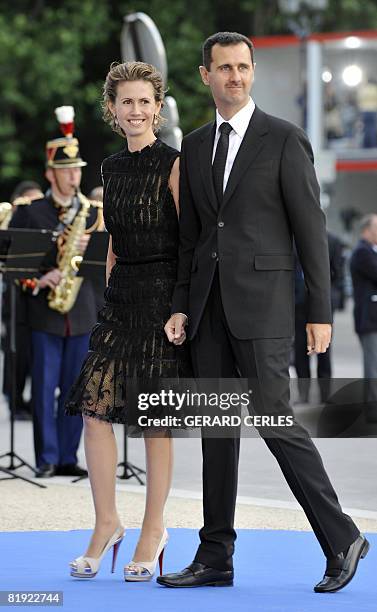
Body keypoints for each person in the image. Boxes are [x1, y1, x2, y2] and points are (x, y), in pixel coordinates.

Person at [160, 32, 369, 593]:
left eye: (243, 67)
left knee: (277, 424)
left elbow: (312, 232)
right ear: (205, 75)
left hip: (267, 309)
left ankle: (341, 535)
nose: (235, 77)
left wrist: (320, 312)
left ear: (251, 73)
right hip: (208, 311)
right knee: (218, 435)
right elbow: (192, 239)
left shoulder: (284, 138)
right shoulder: (197, 146)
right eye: (224, 68)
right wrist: (181, 306)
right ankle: (215, 557)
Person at [65, 61, 191, 581]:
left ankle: (153, 528)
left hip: (163, 302)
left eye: (144, 101)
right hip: (120, 301)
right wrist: (109, 289)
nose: (135, 110)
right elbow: (115, 239)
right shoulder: (109, 169)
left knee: (152, 423)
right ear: (112, 110)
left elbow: (190, 240)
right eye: (126, 102)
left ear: (157, 108)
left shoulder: (176, 163)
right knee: (95, 411)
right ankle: (106, 523)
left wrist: (181, 306)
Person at [10, 107, 104, 478]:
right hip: (45, 311)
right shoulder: (31, 212)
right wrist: (40, 277)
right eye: (66, 170)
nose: (73, 175)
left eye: (77, 169)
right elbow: (15, 264)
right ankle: (47, 457)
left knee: (76, 390)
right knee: (45, 387)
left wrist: (91, 242)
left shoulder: (92, 211)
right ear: (50, 172)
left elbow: (105, 261)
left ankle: (68, 456)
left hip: (81, 309)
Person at [2, 181, 44, 420]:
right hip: (16, 295)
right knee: (16, 350)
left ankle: (28, 400)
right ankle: (14, 399)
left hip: (37, 296)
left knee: (32, 351)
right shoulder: (11, 225)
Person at [294, 231, 346, 403]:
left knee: (324, 350)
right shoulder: (293, 238)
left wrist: (334, 299)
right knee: (300, 350)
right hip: (297, 303)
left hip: (323, 305)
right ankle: (303, 395)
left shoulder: (333, 241)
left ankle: (326, 396)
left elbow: (339, 274)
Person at [350, 214, 377, 415]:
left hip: (371, 319)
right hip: (369, 319)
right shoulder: (362, 252)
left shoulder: (369, 251)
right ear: (367, 229)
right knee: (372, 365)